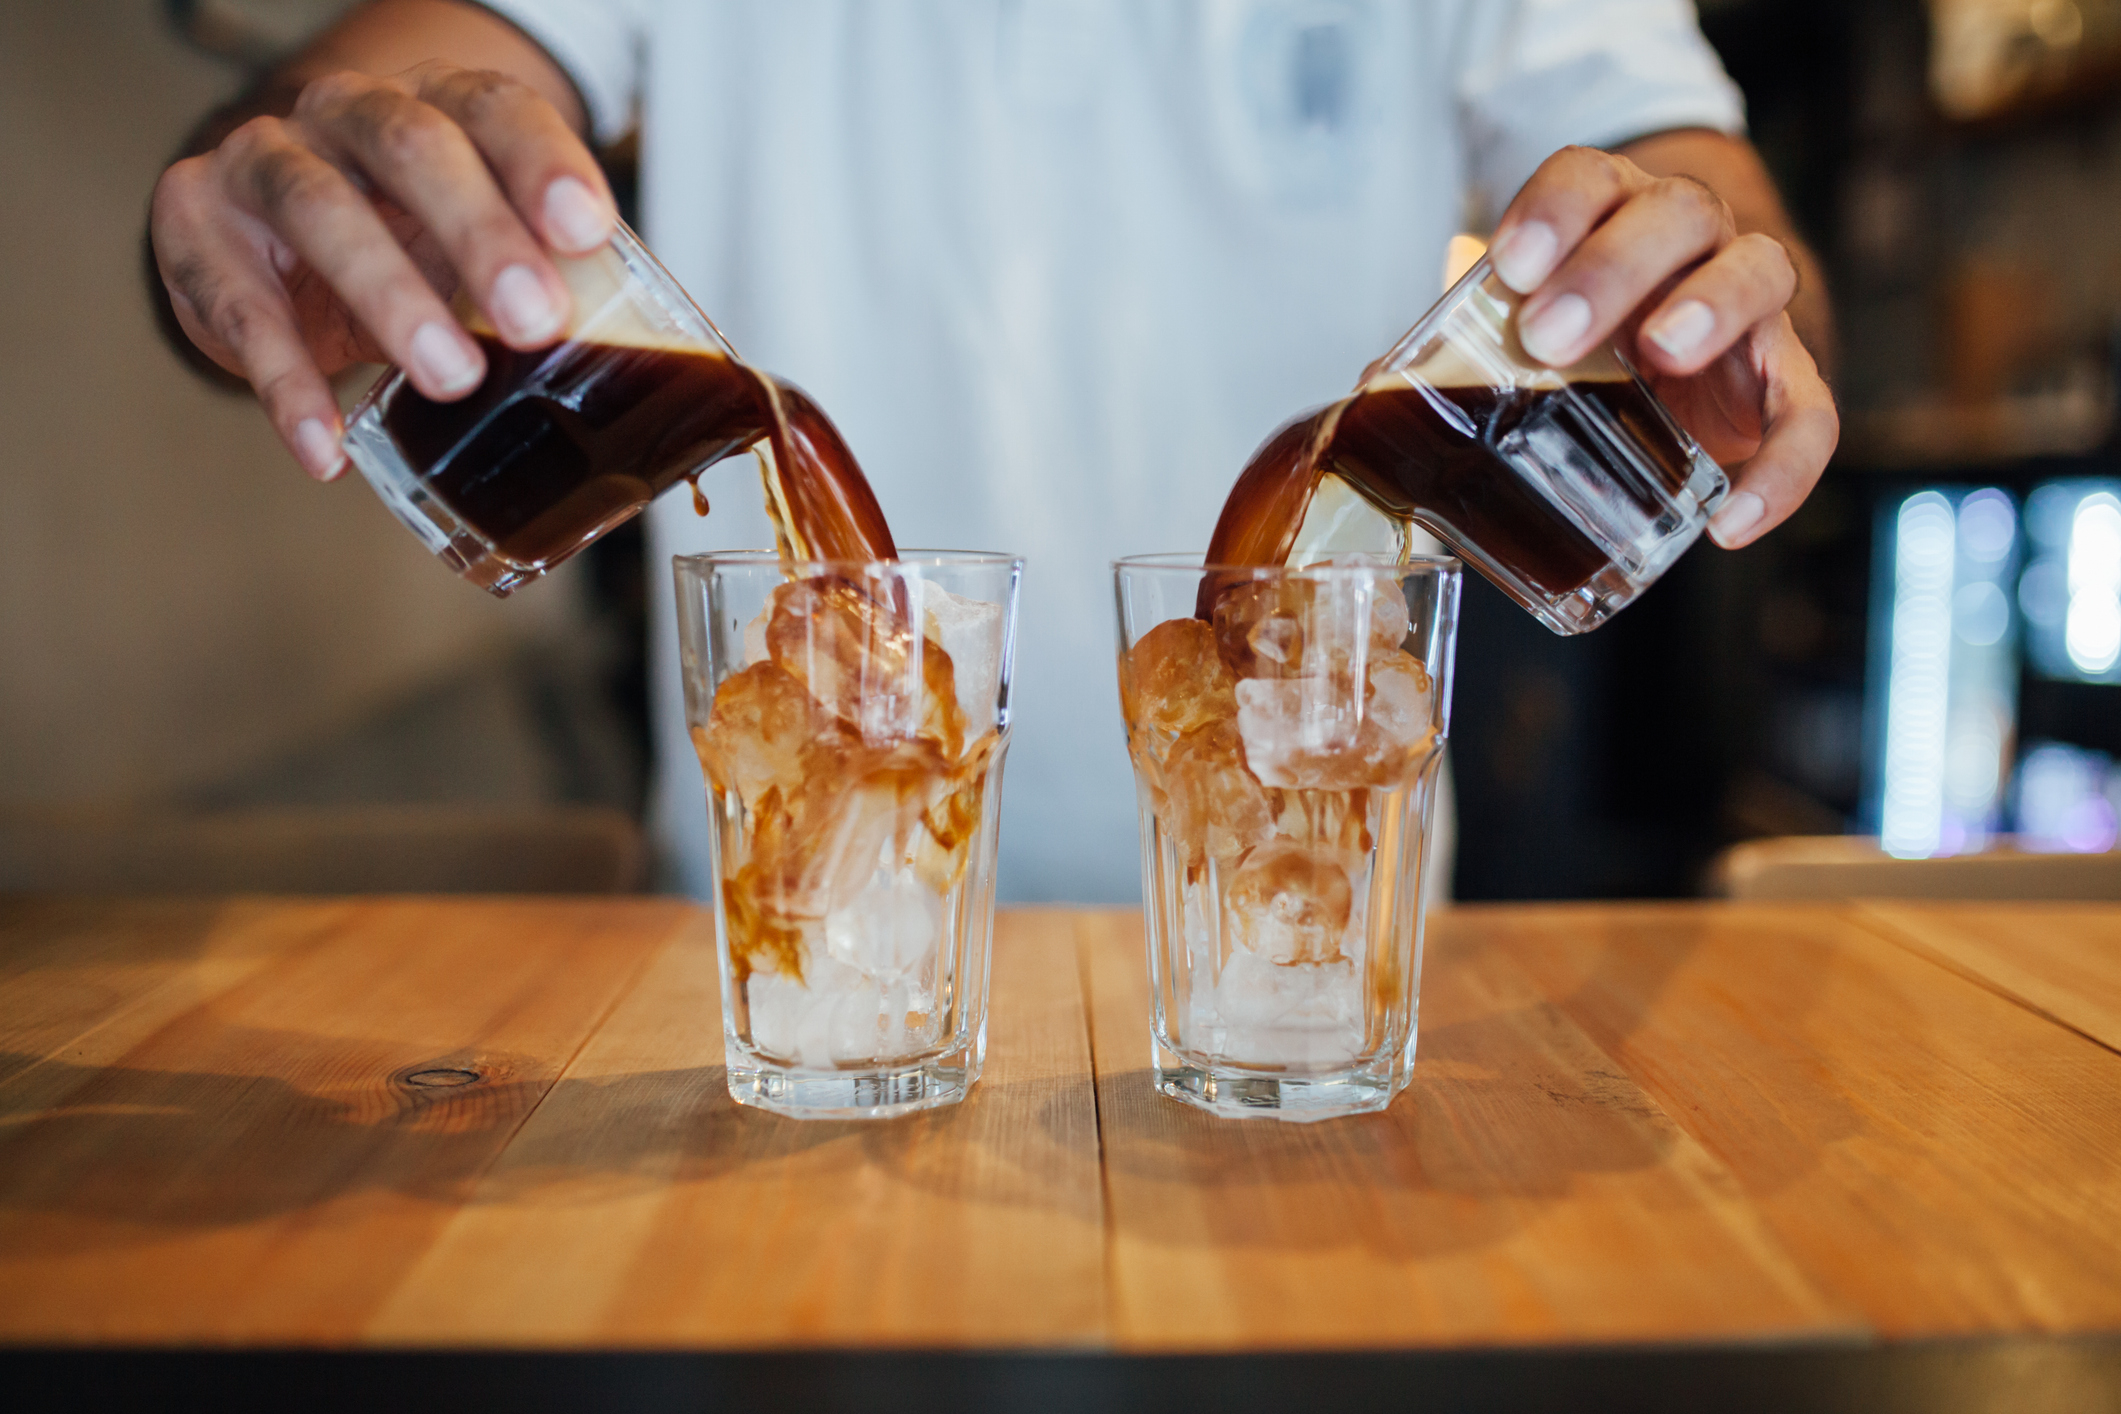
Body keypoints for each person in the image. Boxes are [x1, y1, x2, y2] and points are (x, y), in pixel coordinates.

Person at [148, 0, 1838, 902]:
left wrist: (1729, 307)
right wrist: (295, 187)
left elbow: (1701, 189)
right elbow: (410, 68)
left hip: (1310, 948)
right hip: (782, 955)